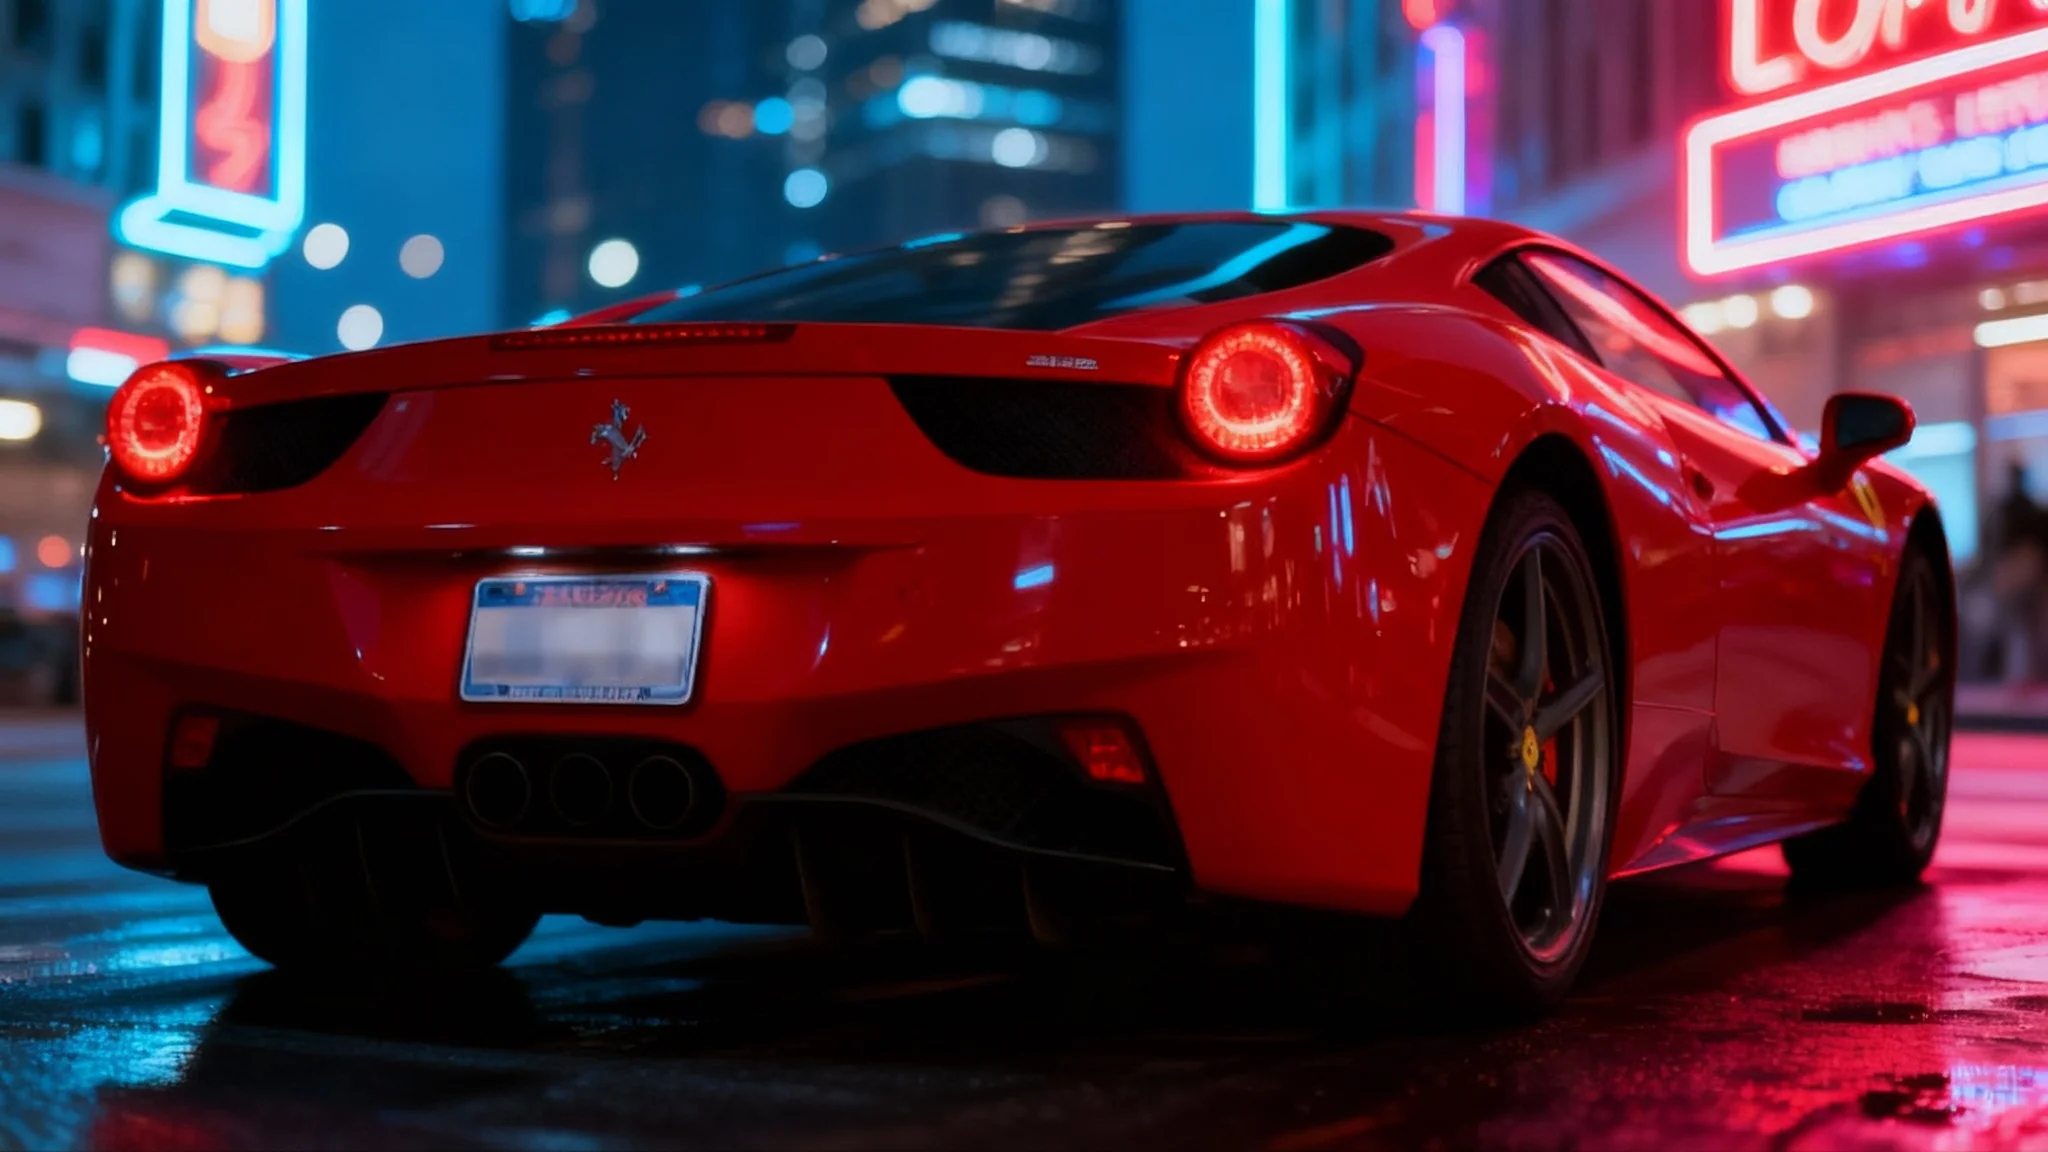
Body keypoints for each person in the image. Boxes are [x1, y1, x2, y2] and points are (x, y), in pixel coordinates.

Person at [1992, 461, 2047, 683]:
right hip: (2027, 566)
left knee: (2019, 627)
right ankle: (2027, 675)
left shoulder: (2009, 509)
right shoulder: (2029, 509)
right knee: (2029, 627)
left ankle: (2022, 676)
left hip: (2018, 566)